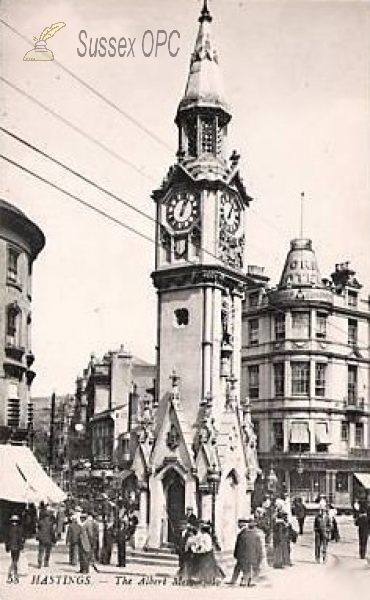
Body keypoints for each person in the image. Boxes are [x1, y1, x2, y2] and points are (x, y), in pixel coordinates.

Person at [187, 521, 224, 585]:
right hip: (204, 552)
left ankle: (207, 579)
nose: (200, 530)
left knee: (206, 567)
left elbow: (207, 546)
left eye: (201, 529)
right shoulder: (203, 536)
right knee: (206, 566)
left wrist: (200, 550)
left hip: (206, 553)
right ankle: (204, 578)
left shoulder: (206, 536)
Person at [231, 517, 262, 586]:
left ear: (242, 524)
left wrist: (236, 555)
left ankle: (243, 580)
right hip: (251, 555)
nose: (238, 525)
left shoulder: (242, 534)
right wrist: (259, 556)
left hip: (243, 556)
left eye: (239, 524)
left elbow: (238, 546)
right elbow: (259, 547)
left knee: (243, 568)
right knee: (242, 567)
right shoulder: (254, 534)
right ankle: (240, 580)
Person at [5, 515, 24, 584]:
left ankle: (12, 576)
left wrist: (7, 547)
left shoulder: (9, 528)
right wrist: (21, 547)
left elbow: (7, 539)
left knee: (13, 560)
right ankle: (13, 576)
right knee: (15, 561)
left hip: (11, 547)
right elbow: (20, 539)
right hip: (17, 547)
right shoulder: (19, 528)